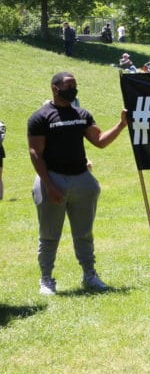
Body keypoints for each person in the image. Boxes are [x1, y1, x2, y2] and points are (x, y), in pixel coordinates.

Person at [28, 72, 129, 294]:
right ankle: (46, 279)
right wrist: (49, 185)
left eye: (75, 85)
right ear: (55, 88)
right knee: (49, 235)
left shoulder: (82, 114)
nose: (73, 89)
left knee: (84, 233)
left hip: (82, 180)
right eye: (69, 86)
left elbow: (100, 141)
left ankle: (90, 275)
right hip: (52, 179)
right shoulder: (41, 117)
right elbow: (35, 153)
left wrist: (121, 125)